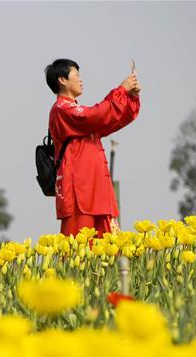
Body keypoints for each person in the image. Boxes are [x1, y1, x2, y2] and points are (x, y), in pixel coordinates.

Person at [45, 59, 141, 238]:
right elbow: (94, 116)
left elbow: (111, 118)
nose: (81, 80)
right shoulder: (61, 109)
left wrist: (131, 97)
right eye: (77, 75)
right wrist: (121, 90)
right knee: (79, 252)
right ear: (62, 80)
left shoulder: (78, 113)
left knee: (108, 251)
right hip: (79, 194)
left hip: (97, 192)